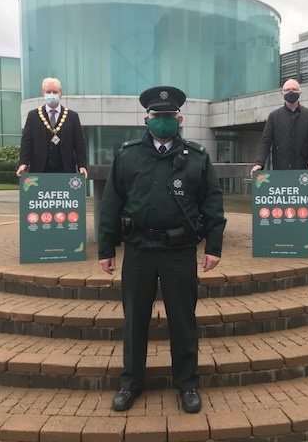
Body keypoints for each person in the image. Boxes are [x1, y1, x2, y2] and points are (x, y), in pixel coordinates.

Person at [97, 86, 226, 414]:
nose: (164, 122)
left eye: (169, 117)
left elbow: (212, 201)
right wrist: (105, 248)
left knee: (183, 321)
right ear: (147, 118)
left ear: (179, 119)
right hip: (138, 250)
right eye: (158, 116)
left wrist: (214, 246)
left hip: (179, 252)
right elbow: (111, 203)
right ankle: (131, 382)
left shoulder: (197, 157)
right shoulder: (128, 155)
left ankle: (187, 384)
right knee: (134, 321)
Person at [16, 77, 88, 178]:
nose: (52, 95)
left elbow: (79, 144)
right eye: (48, 92)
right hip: (39, 170)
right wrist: (23, 163)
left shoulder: (72, 116)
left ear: (61, 94)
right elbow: (26, 142)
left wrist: (82, 165)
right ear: (43, 94)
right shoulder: (33, 116)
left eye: (55, 92)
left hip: (65, 170)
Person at [250, 78, 308, 177]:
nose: (291, 92)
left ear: (300, 92)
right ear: (282, 93)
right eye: (287, 90)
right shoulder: (274, 116)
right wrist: (259, 163)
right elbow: (265, 142)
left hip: (303, 171)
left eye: (294, 89)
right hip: (280, 170)